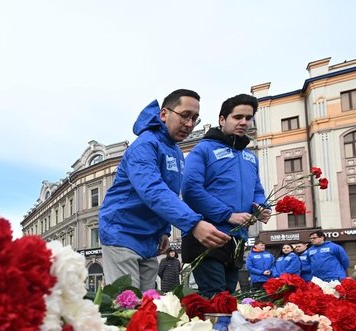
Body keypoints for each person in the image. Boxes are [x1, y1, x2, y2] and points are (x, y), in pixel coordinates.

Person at [98, 90, 229, 291]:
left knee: (148, 307)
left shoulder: (176, 152)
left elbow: (171, 192)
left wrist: (164, 231)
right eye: (184, 115)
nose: (190, 124)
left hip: (149, 240)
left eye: (195, 118)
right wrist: (193, 223)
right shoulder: (144, 145)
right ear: (163, 114)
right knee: (125, 308)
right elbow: (153, 190)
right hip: (121, 233)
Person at [180, 94, 270, 297]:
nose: (243, 122)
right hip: (208, 235)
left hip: (237, 239)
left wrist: (262, 206)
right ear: (222, 119)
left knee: (228, 299)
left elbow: (257, 189)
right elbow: (191, 190)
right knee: (215, 298)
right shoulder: (203, 150)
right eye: (237, 117)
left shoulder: (249, 156)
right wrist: (228, 215)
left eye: (248, 118)